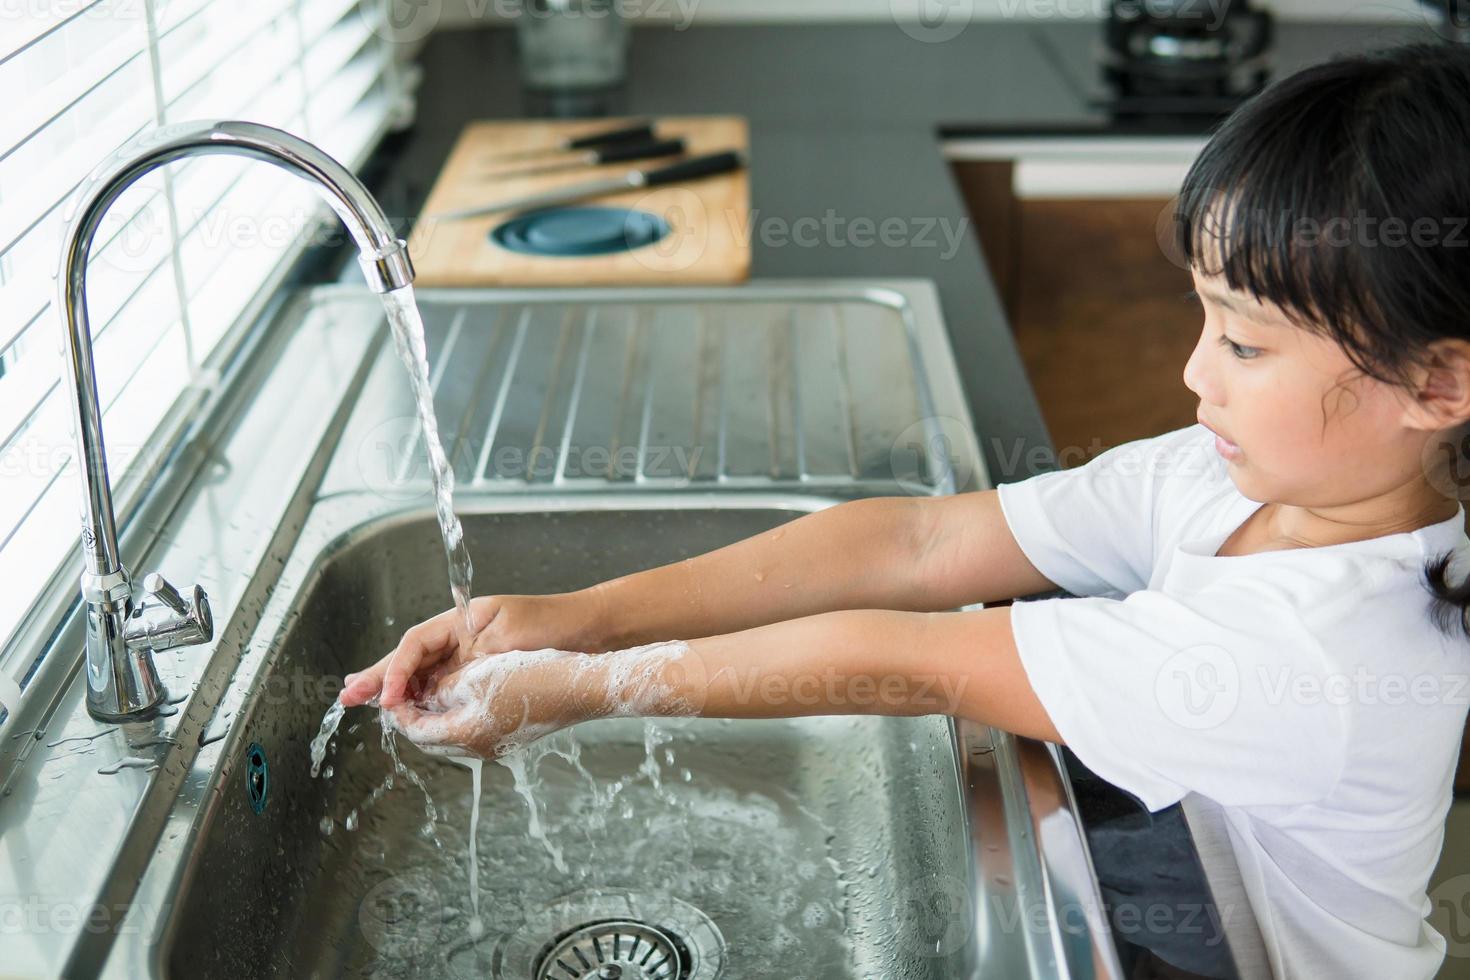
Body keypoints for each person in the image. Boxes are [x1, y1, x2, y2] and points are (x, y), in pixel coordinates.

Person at [340, 41, 1470, 979]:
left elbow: (916, 658)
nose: (1194, 374)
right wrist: (569, 618)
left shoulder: (1312, 654)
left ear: (1438, 384)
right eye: (1203, 316)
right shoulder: (1233, 477)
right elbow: (925, 539)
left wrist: (576, 692)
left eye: (1243, 340)